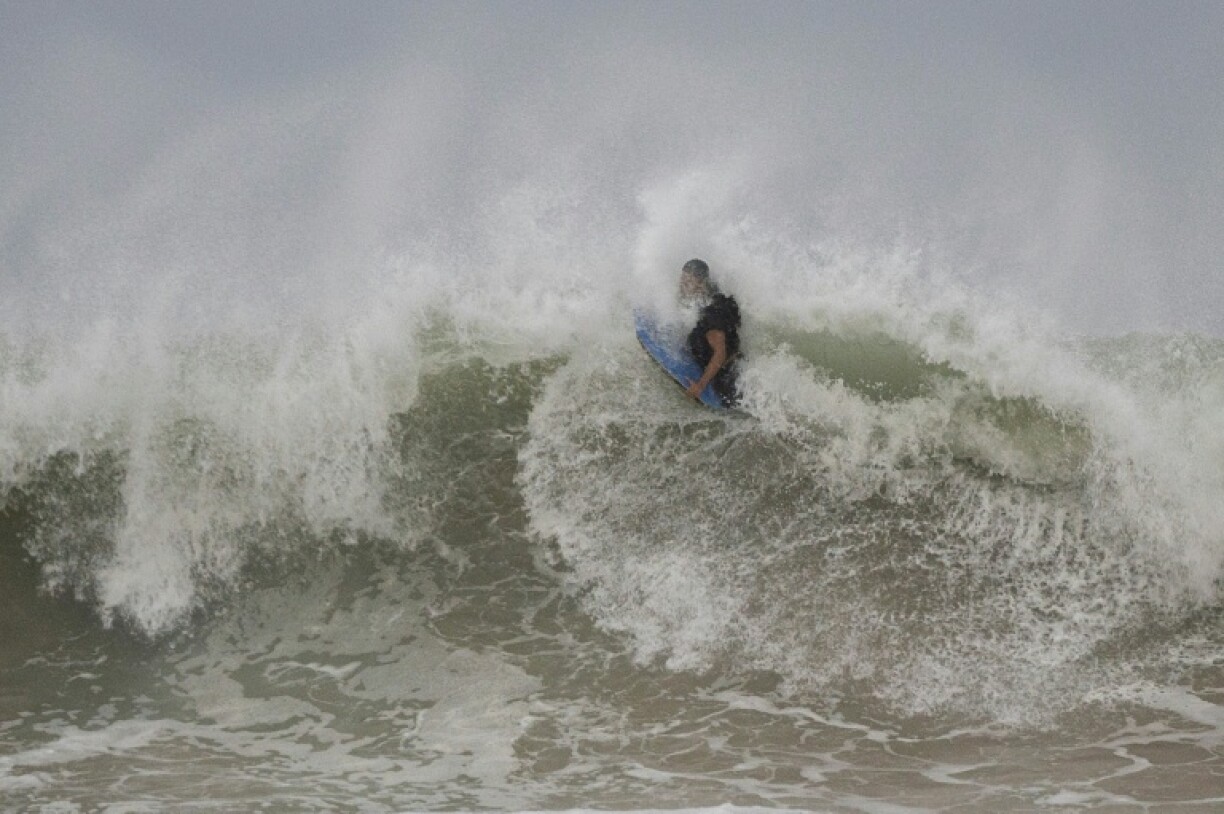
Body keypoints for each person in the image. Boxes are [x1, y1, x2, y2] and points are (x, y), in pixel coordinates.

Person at [678, 258, 741, 407]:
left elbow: (720, 353)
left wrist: (700, 385)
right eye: (682, 278)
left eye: (688, 281)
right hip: (735, 363)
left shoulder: (712, 314)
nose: (682, 284)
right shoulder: (712, 292)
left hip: (726, 377)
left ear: (700, 283)